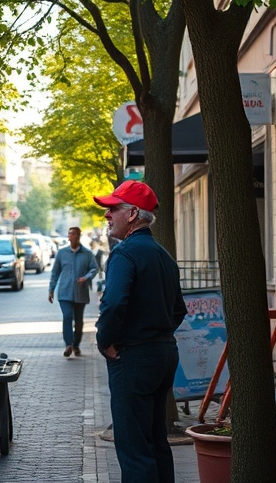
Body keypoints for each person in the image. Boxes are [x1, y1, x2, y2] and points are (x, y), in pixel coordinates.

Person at [94, 180, 187, 483]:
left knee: (134, 448)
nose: (107, 215)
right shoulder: (164, 256)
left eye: (113, 209)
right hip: (163, 353)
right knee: (156, 440)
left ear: (132, 213)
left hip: (132, 357)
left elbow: (114, 303)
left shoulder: (124, 254)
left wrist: (105, 342)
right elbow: (178, 311)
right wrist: (157, 334)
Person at [48, 227, 98, 357]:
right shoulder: (62, 253)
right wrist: (51, 289)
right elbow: (55, 273)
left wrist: (86, 278)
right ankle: (68, 345)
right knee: (67, 316)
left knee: (79, 321)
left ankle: (76, 345)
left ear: (78, 236)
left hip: (80, 292)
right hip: (64, 291)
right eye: (69, 234)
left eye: (72, 234)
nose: (69, 236)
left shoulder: (87, 253)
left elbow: (94, 269)